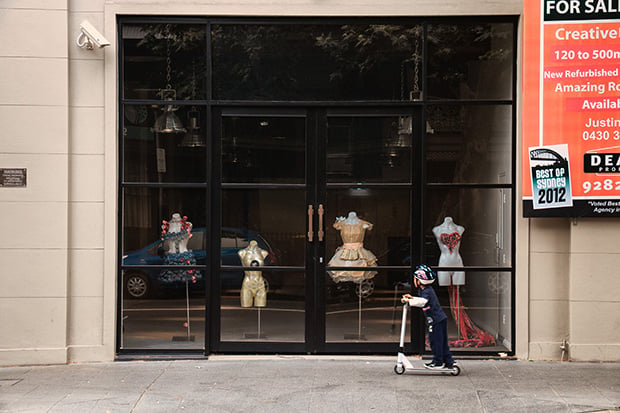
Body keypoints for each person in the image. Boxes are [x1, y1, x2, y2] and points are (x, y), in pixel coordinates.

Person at [401, 264, 456, 369]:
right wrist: (412, 298)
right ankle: (449, 361)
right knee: (442, 341)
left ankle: (438, 362)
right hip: (439, 319)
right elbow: (422, 300)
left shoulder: (427, 291)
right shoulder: (424, 290)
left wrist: (409, 301)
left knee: (436, 341)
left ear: (420, 280)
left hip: (436, 320)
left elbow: (423, 302)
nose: (413, 280)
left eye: (415, 278)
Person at [327, 211, 377, 283]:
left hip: (359, 252)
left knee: (360, 269)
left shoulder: (363, 224)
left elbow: (369, 227)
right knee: (341, 270)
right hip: (344, 252)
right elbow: (336, 226)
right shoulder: (341, 224)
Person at [432, 217, 465, 286]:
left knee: (457, 287)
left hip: (457, 260)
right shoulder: (437, 230)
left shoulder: (460, 229)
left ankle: (455, 297)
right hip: (444, 261)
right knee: (446, 286)